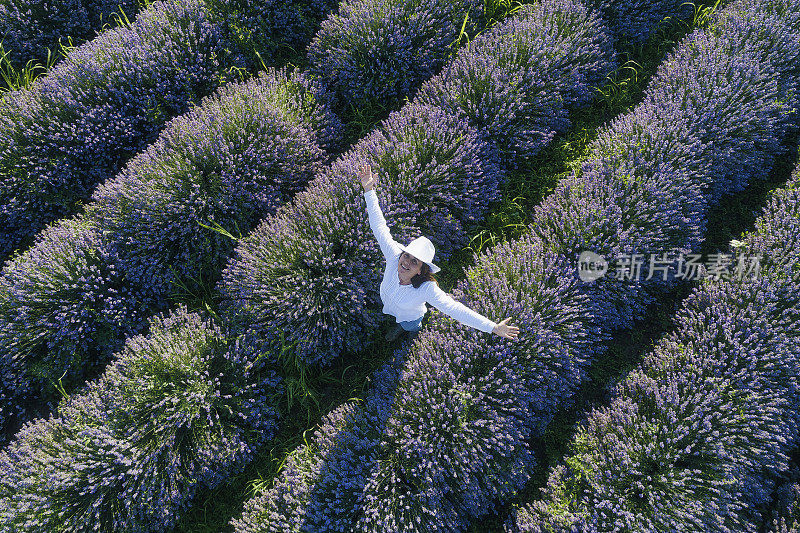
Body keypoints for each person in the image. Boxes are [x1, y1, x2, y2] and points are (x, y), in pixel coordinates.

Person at [358, 163, 520, 342]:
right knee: (389, 310)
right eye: (407, 256)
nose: (406, 262)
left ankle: (408, 330)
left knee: (409, 325)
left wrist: (492, 327)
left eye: (415, 262)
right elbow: (379, 226)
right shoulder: (394, 255)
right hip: (389, 303)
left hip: (409, 317)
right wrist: (369, 190)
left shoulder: (426, 289)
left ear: (420, 270)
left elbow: (455, 309)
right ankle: (394, 319)